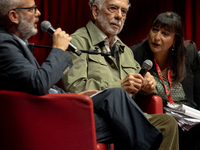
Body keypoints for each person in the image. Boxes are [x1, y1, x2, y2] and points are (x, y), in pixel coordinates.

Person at [0, 0, 167, 150]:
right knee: (121, 112)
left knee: (125, 115)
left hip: (64, 107)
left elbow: (38, 84)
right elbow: (38, 83)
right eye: (31, 9)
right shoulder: (4, 44)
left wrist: (74, 96)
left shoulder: (14, 43)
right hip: (47, 119)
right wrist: (58, 50)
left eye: (124, 11)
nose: (38, 13)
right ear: (14, 16)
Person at [62, 0, 179, 149]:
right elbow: (75, 87)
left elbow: (138, 83)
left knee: (167, 123)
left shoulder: (125, 49)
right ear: (95, 11)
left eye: (123, 11)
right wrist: (120, 86)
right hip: (96, 116)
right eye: (113, 8)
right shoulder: (77, 42)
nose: (119, 16)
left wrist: (148, 84)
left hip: (128, 115)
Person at [131, 11, 200, 150]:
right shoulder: (135, 54)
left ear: (175, 40)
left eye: (165, 34)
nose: (157, 37)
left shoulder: (188, 52)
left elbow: (197, 94)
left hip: (190, 118)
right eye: (155, 30)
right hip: (162, 119)